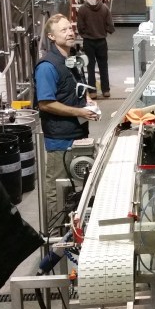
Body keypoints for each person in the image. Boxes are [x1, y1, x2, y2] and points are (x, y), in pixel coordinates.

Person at [35, 14, 99, 217]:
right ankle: (56, 243)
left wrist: (87, 99)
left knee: (75, 192)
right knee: (57, 192)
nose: (70, 32)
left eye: (70, 28)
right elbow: (46, 103)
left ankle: (72, 236)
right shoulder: (47, 66)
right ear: (51, 37)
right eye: (63, 30)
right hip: (60, 141)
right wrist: (79, 112)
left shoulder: (72, 60)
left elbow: (75, 86)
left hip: (78, 136)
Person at [76, 0, 115, 99]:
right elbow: (110, 26)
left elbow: (80, 25)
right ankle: (106, 90)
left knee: (90, 67)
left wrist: (85, 34)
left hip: (88, 42)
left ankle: (92, 92)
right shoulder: (104, 8)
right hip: (101, 41)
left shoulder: (83, 9)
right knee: (103, 66)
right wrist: (105, 30)